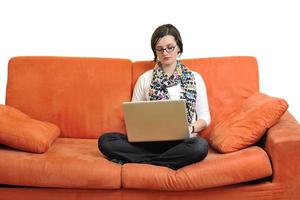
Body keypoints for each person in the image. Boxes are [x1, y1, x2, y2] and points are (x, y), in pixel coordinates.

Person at [98, 24, 211, 170]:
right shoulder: (145, 79)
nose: (165, 52)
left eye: (170, 47)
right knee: (106, 141)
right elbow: (133, 116)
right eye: (160, 48)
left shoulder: (195, 78)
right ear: (155, 51)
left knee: (200, 146)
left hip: (182, 143)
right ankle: (164, 162)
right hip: (149, 144)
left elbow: (205, 117)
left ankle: (141, 162)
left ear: (179, 48)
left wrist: (190, 128)